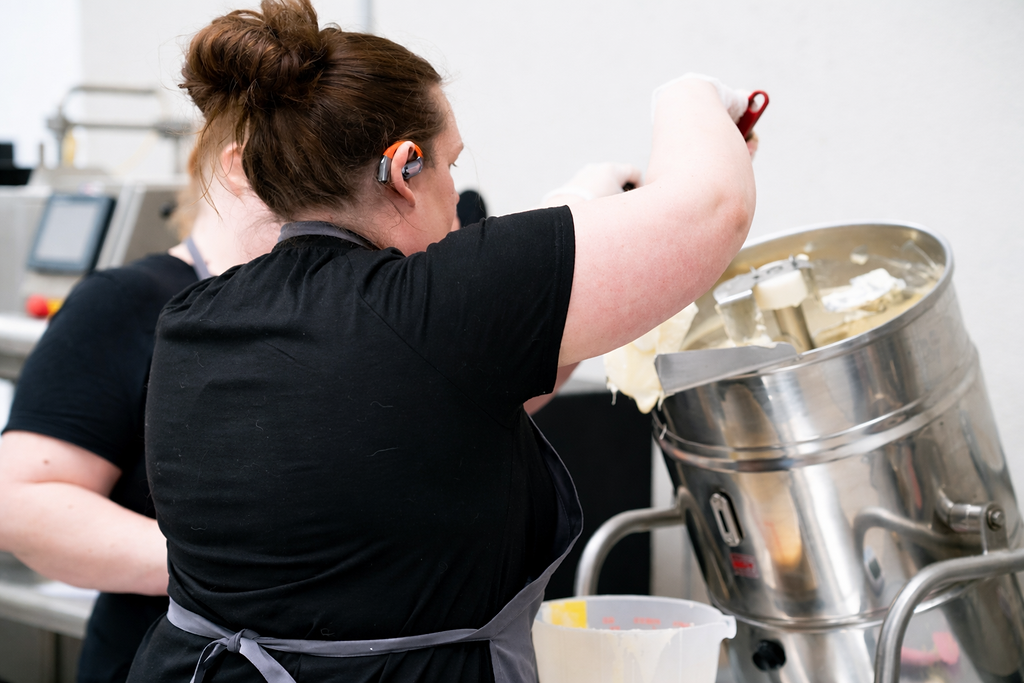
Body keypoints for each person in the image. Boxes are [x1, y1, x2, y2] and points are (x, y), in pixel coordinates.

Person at [128, 1, 755, 681]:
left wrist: (584, 199)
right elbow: (713, 204)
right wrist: (691, 95)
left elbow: (440, 397)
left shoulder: (197, 318)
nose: (459, 197)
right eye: (452, 163)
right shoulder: (431, 308)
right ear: (404, 168)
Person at [0, 146, 281, 683]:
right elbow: (19, 501)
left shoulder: (319, 314)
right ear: (242, 166)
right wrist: (232, 571)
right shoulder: (128, 301)